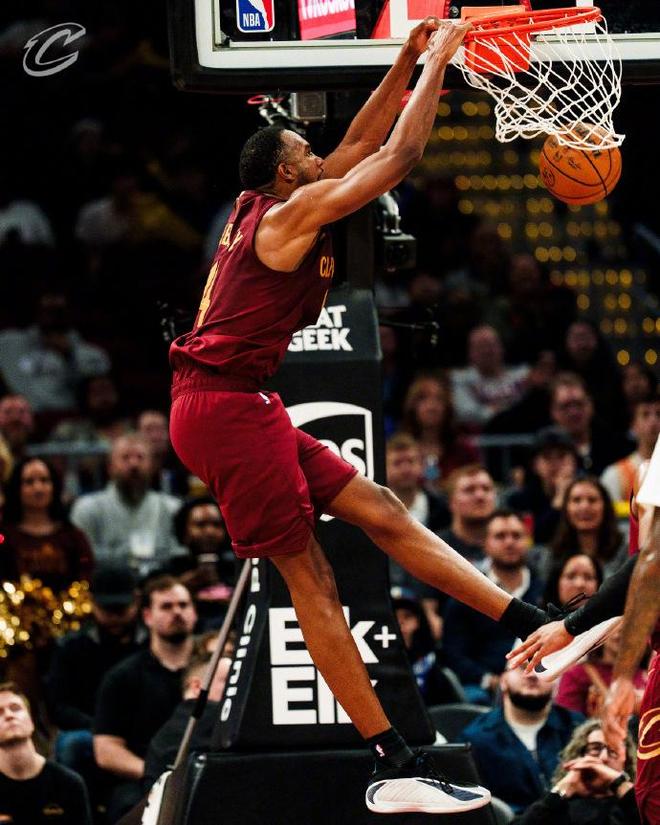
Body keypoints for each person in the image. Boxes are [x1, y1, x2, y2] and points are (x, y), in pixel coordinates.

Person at [168, 18, 549, 816]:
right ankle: (391, 760)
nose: (320, 154)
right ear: (285, 171)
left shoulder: (268, 200)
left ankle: (528, 618)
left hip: (235, 400)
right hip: (222, 406)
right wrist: (440, 63)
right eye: (305, 152)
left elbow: (359, 143)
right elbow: (397, 158)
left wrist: (405, 57)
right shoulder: (286, 217)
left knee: (380, 507)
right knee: (310, 576)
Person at [93, 576, 197, 822]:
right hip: (144, 779)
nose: (177, 612)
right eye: (166, 606)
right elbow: (106, 750)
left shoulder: (216, 669)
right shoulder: (123, 676)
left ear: (194, 612)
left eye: (183, 605)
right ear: (148, 616)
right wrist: (157, 775)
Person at [46, 564, 146, 787]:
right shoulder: (72, 647)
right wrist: (102, 726)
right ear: (92, 603)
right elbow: (58, 706)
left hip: (144, 727)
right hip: (91, 728)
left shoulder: (150, 642)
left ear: (137, 601)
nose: (115, 617)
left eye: (121, 609)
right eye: (107, 609)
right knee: (72, 745)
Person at [442, 510, 544, 705]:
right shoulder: (467, 592)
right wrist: (489, 680)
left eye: (516, 536)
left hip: (537, 679)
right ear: (485, 543)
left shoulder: (544, 590)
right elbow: (454, 654)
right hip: (482, 687)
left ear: (527, 541)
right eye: (500, 536)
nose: (509, 542)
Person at [459, 659, 583, 814]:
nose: (532, 675)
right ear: (503, 680)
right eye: (522, 667)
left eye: (541, 668)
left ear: (556, 682)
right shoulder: (475, 739)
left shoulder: (578, 728)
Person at [70, 434, 183, 576]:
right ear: (110, 467)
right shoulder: (87, 508)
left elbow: (181, 553)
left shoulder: (172, 508)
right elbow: (80, 556)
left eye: (140, 457)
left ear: (152, 466)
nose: (134, 464)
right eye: (125, 457)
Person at [0, 291, 111, 413]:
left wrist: (68, 356)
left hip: (69, 417)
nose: (52, 317)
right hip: (21, 416)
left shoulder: (93, 356)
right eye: (47, 310)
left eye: (58, 311)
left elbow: (97, 397)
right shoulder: (7, 343)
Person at [0, 682, 93, 825]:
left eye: (15, 708)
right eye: (0, 712)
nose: (9, 715)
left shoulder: (68, 783)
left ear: (31, 721)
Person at [513, 719, 639, 824]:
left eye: (613, 751)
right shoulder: (558, 806)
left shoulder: (633, 805)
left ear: (626, 760)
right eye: (595, 748)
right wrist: (562, 789)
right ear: (580, 755)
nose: (604, 757)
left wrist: (619, 783)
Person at [0, 457, 94, 591]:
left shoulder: (73, 537)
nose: (38, 488)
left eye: (44, 480)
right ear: (16, 489)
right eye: (29, 482)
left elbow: (85, 574)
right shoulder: (4, 536)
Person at [142, 651, 232, 790]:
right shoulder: (211, 714)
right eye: (228, 680)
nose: (236, 688)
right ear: (197, 686)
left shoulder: (164, 734)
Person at [399, 373, 479, 491]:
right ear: (412, 406)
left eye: (439, 399)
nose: (432, 406)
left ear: (448, 406)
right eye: (423, 399)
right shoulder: (400, 450)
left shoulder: (463, 449)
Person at [507, 425, 579, 547]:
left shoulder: (587, 493)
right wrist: (558, 501)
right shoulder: (519, 500)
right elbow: (530, 538)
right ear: (535, 465)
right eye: (547, 457)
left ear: (574, 462)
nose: (555, 464)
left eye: (561, 456)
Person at [555, 624, 646, 719]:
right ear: (602, 632)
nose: (622, 634)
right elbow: (564, 720)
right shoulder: (576, 674)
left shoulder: (646, 675)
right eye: (617, 628)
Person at [549, 373, 632, 476]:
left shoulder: (618, 445)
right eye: (565, 406)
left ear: (590, 405)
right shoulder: (546, 457)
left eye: (579, 404)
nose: (573, 412)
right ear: (553, 411)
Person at [450, 324, 530, 430]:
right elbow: (466, 413)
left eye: (491, 345)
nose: (487, 351)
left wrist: (494, 410)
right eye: (480, 346)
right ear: (470, 353)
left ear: (501, 348)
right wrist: (507, 411)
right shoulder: (460, 379)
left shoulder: (523, 375)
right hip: (480, 436)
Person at [171, 495, 235, 628]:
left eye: (216, 525)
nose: (210, 531)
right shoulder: (171, 570)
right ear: (184, 531)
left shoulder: (239, 569)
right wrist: (182, 585)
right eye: (200, 525)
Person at [550, 477, 627, 579]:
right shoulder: (553, 556)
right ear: (566, 508)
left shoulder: (625, 550)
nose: (584, 507)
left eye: (592, 500)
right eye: (576, 500)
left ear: (606, 507)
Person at [601, 392, 660, 505]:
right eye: (645, 415)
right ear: (634, 426)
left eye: (659, 414)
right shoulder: (615, 475)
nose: (653, 421)